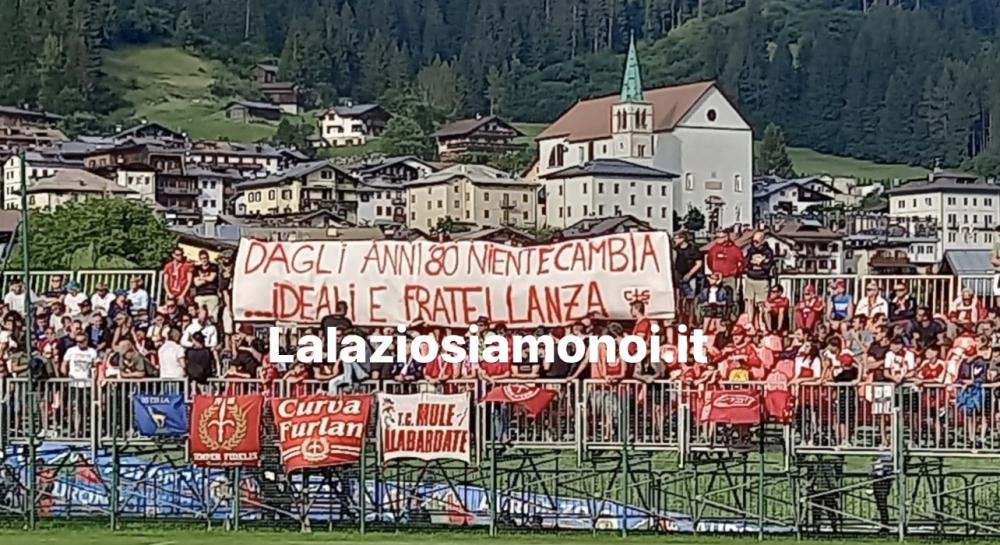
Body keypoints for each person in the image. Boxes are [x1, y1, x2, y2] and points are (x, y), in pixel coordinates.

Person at [742, 230, 775, 325]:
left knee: (762, 304)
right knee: (749, 302)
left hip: (762, 280)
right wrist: (759, 263)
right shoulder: (750, 250)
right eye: (753, 241)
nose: (754, 243)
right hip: (750, 278)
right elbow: (747, 263)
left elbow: (767, 266)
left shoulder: (768, 252)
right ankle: (750, 323)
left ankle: (762, 324)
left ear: (762, 241)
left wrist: (759, 264)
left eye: (757, 241)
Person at [672, 231, 703, 322]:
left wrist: (689, 274)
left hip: (691, 277)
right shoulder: (676, 250)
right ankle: (680, 320)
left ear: (682, 238)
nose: (675, 240)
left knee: (690, 299)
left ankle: (691, 320)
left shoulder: (693, 249)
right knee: (679, 300)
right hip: (678, 277)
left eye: (676, 238)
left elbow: (699, 263)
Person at [705, 228, 743, 295]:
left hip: (729, 278)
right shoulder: (714, 249)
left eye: (721, 237)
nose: (718, 239)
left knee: (731, 297)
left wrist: (736, 272)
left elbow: (741, 263)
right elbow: (709, 261)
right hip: (716, 277)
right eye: (717, 237)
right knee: (716, 296)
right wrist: (714, 271)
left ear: (727, 237)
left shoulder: (735, 249)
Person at [192, 251, 220, 319]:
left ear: (208, 258)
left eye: (205, 258)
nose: (203, 260)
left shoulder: (213, 266)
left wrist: (201, 277)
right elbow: (196, 283)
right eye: (201, 258)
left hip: (212, 294)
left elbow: (211, 279)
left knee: (212, 316)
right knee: (200, 315)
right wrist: (207, 278)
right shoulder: (197, 268)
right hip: (200, 295)